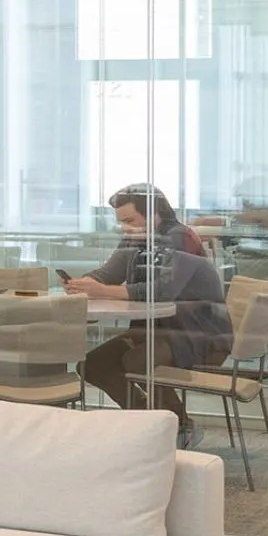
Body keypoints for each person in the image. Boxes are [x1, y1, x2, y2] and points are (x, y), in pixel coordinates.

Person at [66, 184, 231, 435]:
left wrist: (102, 291)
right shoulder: (134, 239)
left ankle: (180, 427)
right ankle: (151, 422)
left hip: (197, 336)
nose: (125, 227)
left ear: (155, 213)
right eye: (121, 222)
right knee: (94, 365)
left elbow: (161, 291)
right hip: (155, 331)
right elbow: (107, 275)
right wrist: (83, 284)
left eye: (130, 220)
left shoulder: (180, 238)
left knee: (138, 361)